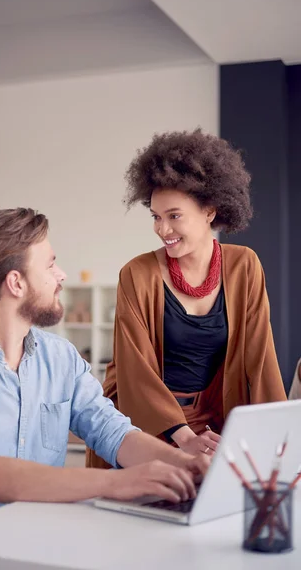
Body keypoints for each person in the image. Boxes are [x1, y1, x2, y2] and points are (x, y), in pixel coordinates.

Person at [0, 208, 209, 540]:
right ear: (16, 282)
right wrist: (117, 483)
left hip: (32, 539)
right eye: (49, 265)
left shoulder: (60, 357)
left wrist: (182, 463)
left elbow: (113, 433)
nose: (61, 275)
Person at [87, 129, 287, 471]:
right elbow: (134, 372)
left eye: (174, 216)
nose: (162, 229)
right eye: (155, 216)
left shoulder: (244, 265)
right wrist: (181, 435)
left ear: (210, 210)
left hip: (217, 421)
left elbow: (260, 359)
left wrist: (281, 437)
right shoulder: (137, 274)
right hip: (143, 425)